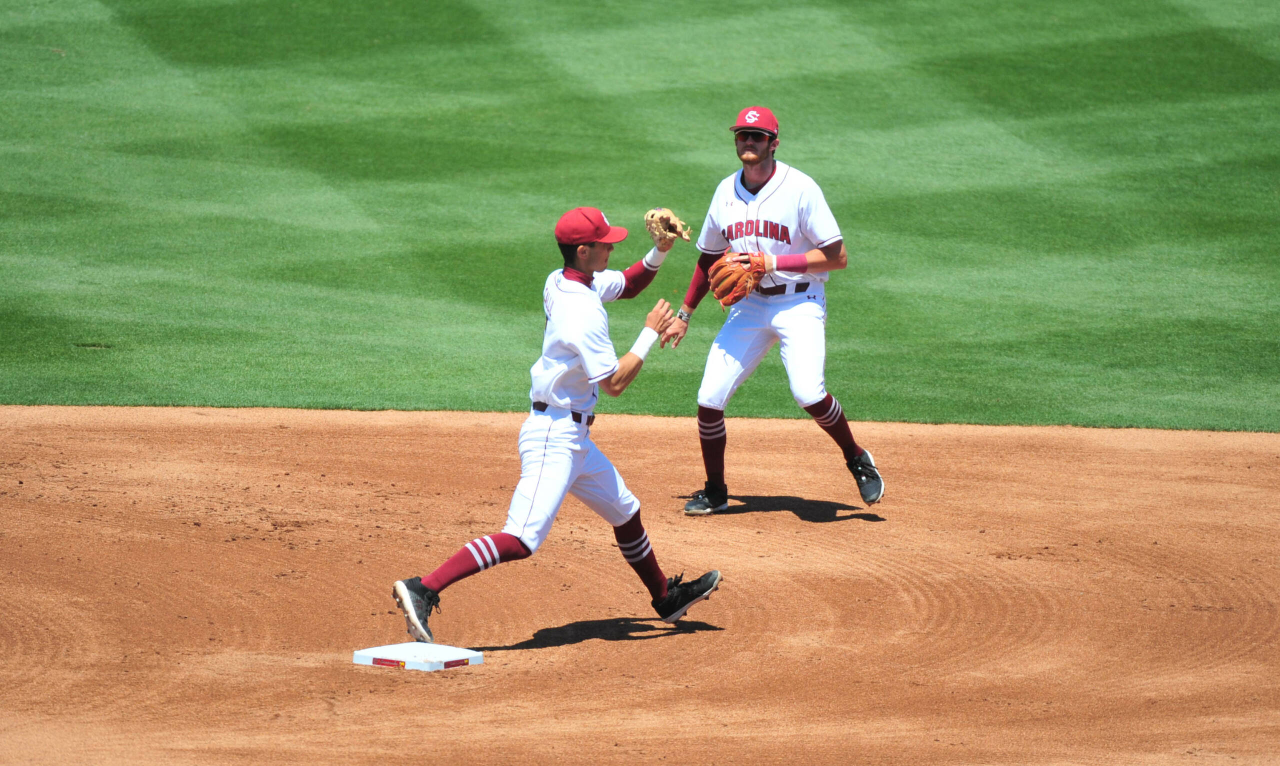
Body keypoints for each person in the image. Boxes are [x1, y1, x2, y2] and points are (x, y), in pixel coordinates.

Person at [393, 206, 722, 643]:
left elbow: (626, 283)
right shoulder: (579, 313)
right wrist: (648, 333)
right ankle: (423, 588)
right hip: (555, 437)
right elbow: (616, 383)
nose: (612, 245)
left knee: (626, 511)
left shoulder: (567, 278)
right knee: (521, 538)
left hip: (574, 436)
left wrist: (659, 251)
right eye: (605, 242)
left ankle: (665, 598)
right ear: (583, 250)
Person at [660, 106, 885, 515]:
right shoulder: (725, 191)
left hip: (800, 301)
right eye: (742, 135)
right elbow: (708, 257)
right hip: (751, 305)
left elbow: (838, 257)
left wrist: (773, 263)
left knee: (807, 393)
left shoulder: (800, 188)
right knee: (709, 398)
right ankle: (715, 491)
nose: (748, 142)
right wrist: (685, 313)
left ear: (773, 143)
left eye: (757, 136)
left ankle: (856, 457)